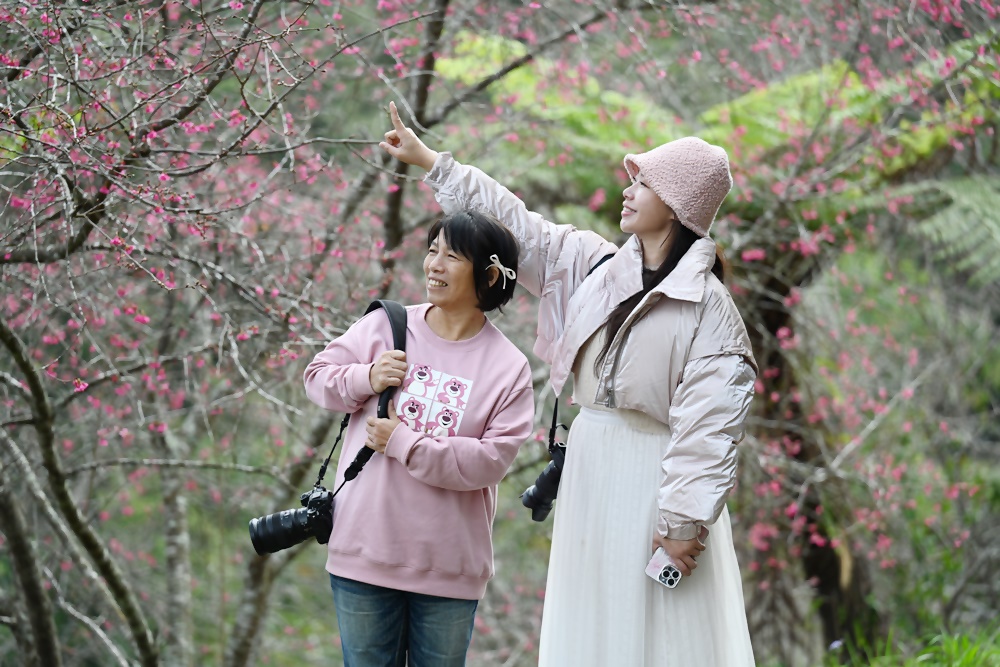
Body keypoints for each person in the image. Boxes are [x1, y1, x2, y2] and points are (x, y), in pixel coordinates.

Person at [380, 101, 758, 666]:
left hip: (656, 474)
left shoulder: (711, 310)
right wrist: (435, 164)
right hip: (592, 462)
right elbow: (521, 230)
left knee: (662, 629)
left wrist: (682, 524)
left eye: (645, 182)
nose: (628, 190)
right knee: (593, 620)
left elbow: (709, 427)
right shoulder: (596, 267)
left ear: (677, 206)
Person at [302, 209, 535, 667]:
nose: (434, 265)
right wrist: (365, 376)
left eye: (452, 256)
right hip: (364, 556)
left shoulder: (509, 368)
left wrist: (404, 443)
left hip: (448, 570)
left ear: (488, 274)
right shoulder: (387, 326)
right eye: (432, 251)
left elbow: (491, 461)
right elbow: (316, 379)